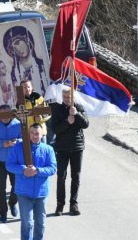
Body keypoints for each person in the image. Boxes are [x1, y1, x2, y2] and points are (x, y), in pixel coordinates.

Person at [6, 123, 57, 240]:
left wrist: (37, 171)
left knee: (40, 223)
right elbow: (9, 165)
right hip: (24, 192)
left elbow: (53, 168)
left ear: (42, 134)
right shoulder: (18, 147)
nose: (34, 136)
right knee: (27, 223)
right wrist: (23, 169)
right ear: (28, 134)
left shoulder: (48, 149)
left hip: (41, 193)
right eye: (32, 133)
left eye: (37, 134)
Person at [49, 88, 89, 216]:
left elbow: (86, 124)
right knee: (61, 176)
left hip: (77, 147)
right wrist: (67, 122)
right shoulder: (58, 109)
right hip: (62, 147)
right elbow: (55, 129)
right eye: (65, 97)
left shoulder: (79, 107)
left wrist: (76, 114)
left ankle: (74, 203)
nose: (67, 99)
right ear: (62, 97)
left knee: (75, 176)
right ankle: (60, 204)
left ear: (73, 97)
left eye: (69, 97)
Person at [0, 104, 22, 222]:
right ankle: (3, 212)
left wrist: (17, 142)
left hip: (14, 160)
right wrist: (2, 144)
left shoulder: (17, 123)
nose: (4, 117)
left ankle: (12, 202)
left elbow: (24, 138)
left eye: (7, 114)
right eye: (2, 114)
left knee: (17, 186)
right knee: (0, 189)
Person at [3, 25, 49, 95]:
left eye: (17, 43)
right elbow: (17, 96)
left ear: (27, 40)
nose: (17, 49)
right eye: (13, 47)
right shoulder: (14, 73)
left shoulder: (43, 65)